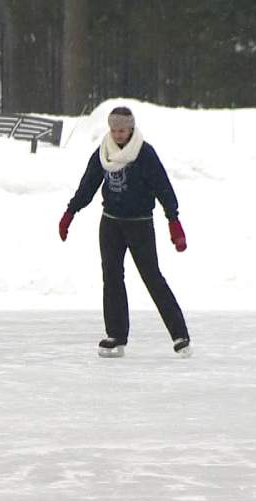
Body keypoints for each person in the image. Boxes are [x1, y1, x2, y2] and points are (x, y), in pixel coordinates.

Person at [58, 106, 191, 359]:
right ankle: (116, 335)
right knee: (112, 276)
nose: (118, 134)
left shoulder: (144, 154)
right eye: (114, 129)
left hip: (139, 223)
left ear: (131, 128)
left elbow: (163, 187)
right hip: (111, 223)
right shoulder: (103, 152)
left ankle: (180, 334)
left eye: (122, 130)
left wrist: (173, 220)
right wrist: (70, 212)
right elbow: (88, 185)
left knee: (152, 277)